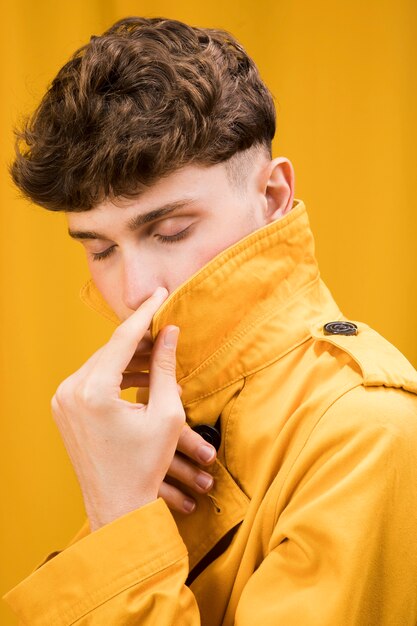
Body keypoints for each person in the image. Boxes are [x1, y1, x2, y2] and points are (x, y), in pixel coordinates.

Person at [4, 16, 417, 625]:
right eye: (100, 250)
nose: (134, 288)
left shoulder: (367, 434)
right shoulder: (147, 425)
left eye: (170, 230)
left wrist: (119, 519)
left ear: (273, 197)